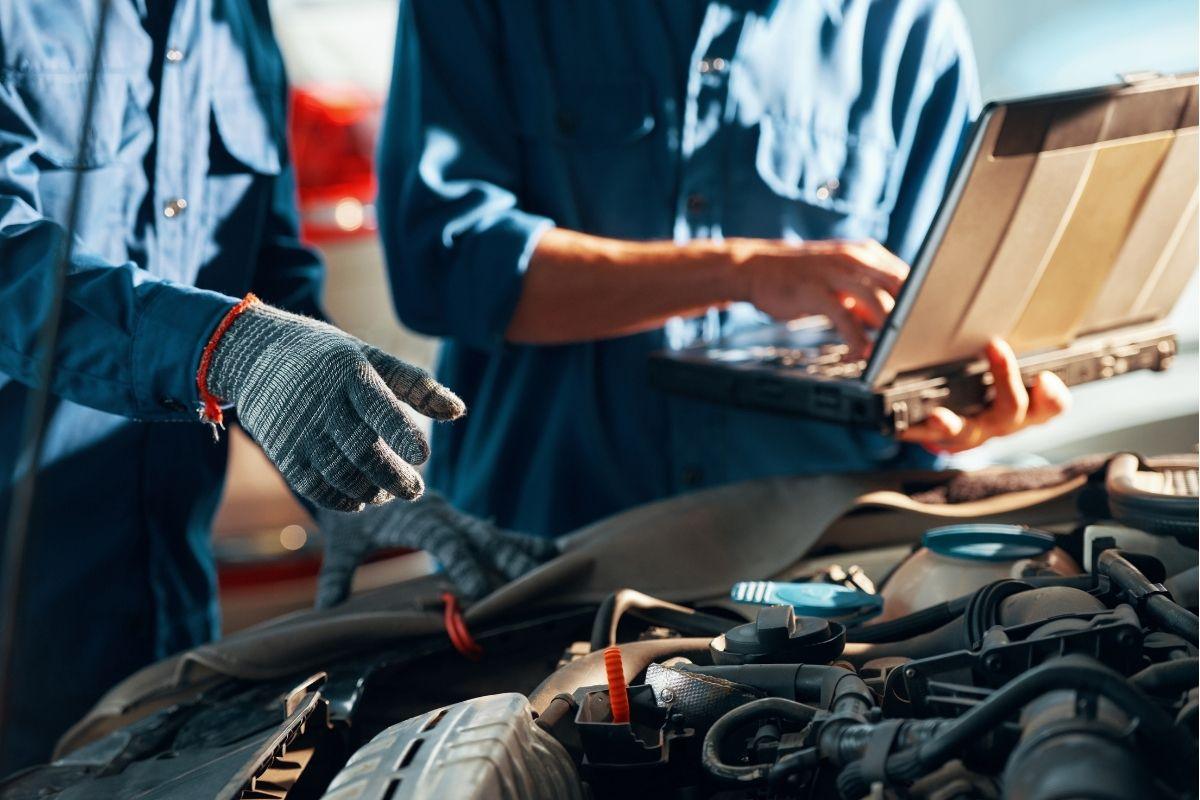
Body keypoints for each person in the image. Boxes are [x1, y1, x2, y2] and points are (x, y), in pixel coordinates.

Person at [0, 0, 552, 774]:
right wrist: (225, 349)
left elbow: (261, 267)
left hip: (165, 619)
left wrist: (351, 475)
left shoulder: (227, 20)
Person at [378, 0, 1071, 539]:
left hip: (829, 570)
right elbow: (444, 264)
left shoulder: (906, 22)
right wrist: (740, 270)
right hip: (544, 561)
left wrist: (962, 413)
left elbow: (925, 335)